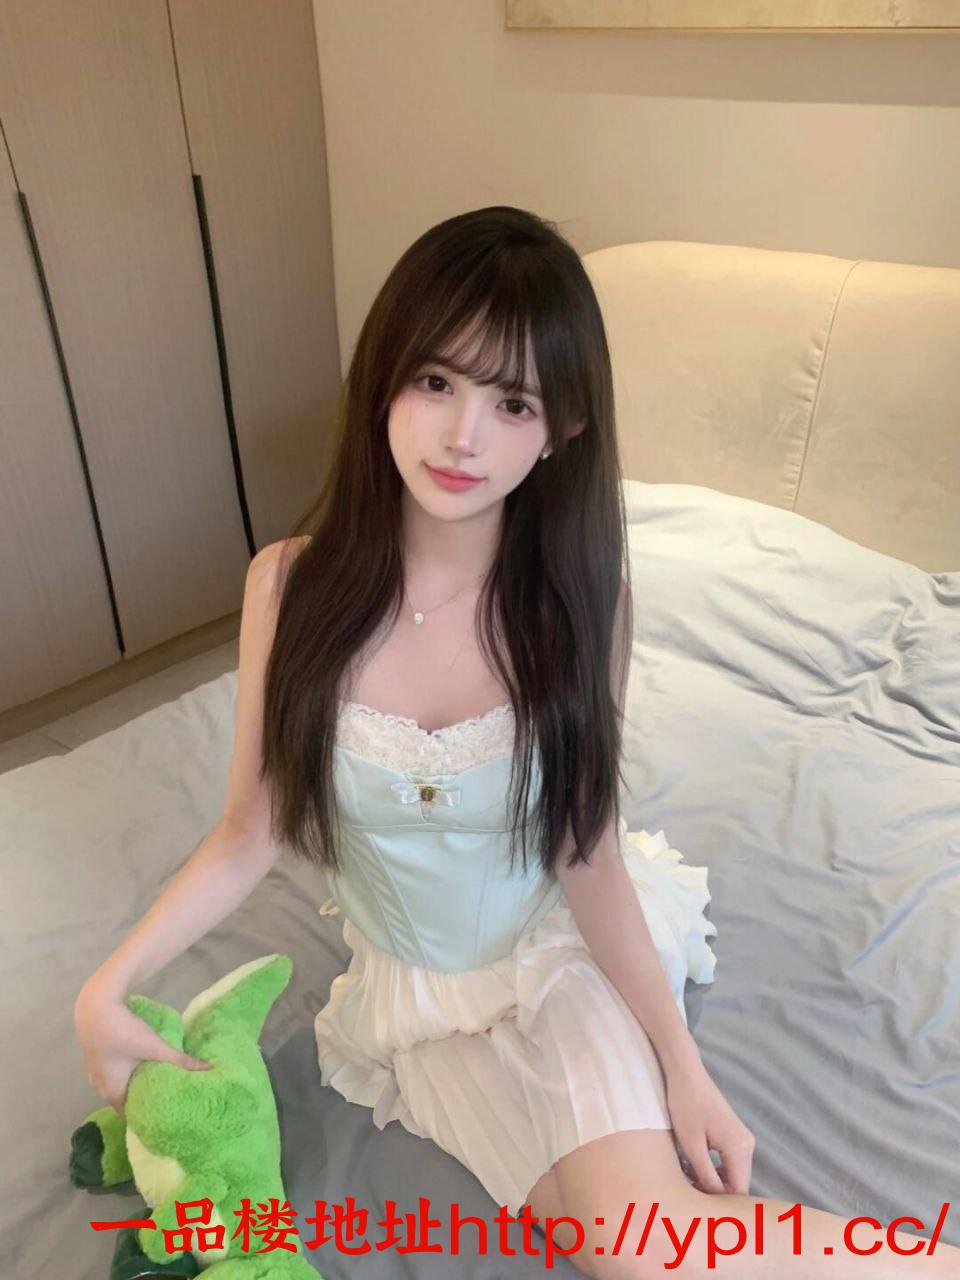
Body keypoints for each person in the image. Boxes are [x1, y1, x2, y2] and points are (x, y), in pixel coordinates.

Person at [75, 207, 958, 1278]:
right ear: (385, 380)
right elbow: (248, 830)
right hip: (411, 996)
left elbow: (586, 852)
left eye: (513, 402)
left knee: (652, 1248)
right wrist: (106, 983)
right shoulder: (288, 586)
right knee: (617, 1249)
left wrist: (681, 1064)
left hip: (555, 951)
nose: (463, 437)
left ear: (562, 429)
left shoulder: (579, 603)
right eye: (435, 381)